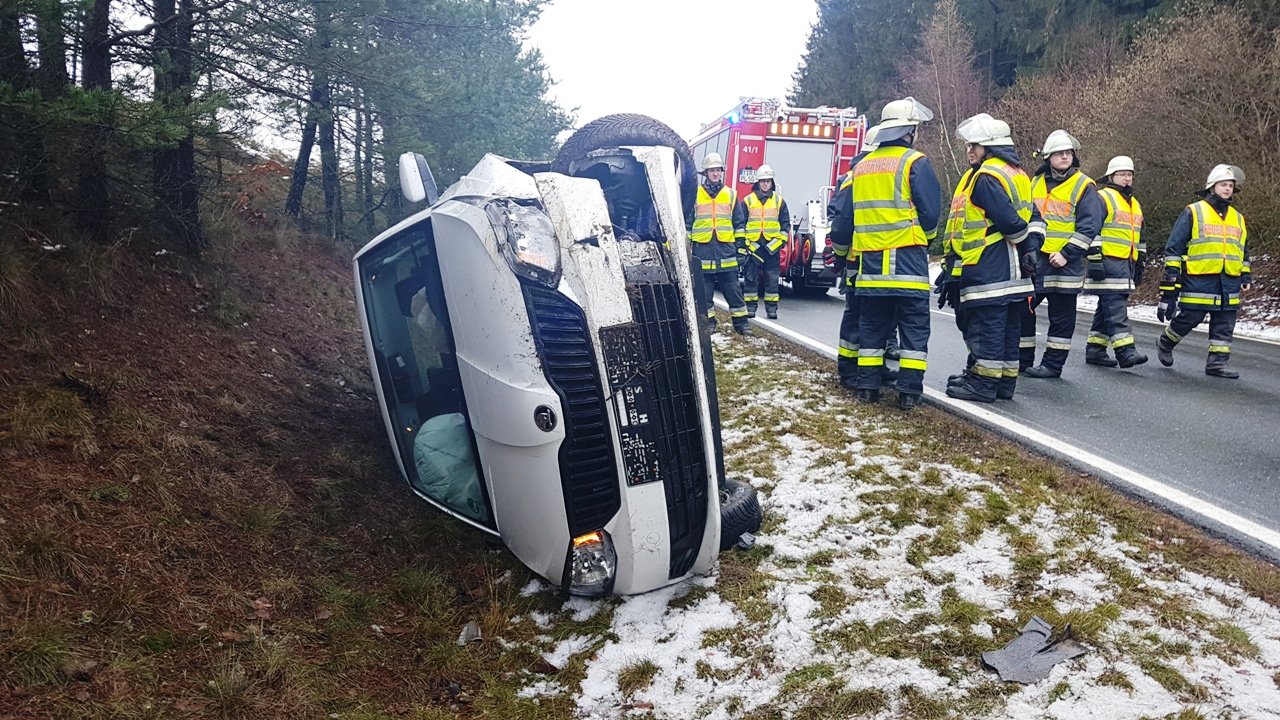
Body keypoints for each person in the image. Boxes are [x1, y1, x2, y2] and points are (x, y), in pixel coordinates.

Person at [939, 113, 1041, 403]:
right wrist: (1031, 247)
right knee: (1009, 328)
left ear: (991, 146)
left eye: (975, 145)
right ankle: (1004, 383)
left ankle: (982, 384)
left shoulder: (986, 176)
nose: (970, 150)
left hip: (990, 267)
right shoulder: (1017, 174)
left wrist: (1024, 244)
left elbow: (1008, 221)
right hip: (1014, 272)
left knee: (987, 327)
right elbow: (1032, 216)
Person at [850, 98, 942, 409]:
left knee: (872, 328)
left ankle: (867, 388)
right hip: (907, 264)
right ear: (910, 131)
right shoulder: (915, 162)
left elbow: (851, 217)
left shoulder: (860, 167)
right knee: (914, 329)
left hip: (871, 267)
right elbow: (930, 213)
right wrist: (924, 239)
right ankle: (909, 394)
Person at [1019, 130, 1104, 378]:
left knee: (1062, 317)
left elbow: (1089, 226)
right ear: (1048, 157)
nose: (1065, 156)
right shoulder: (1034, 182)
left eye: (1068, 153)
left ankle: (1053, 365)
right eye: (1059, 153)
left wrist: (1067, 253)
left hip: (1064, 263)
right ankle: (1022, 360)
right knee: (1024, 311)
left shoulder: (1084, 185)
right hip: (1036, 259)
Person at [1156, 164, 1251, 379]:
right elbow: (1174, 247)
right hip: (1199, 277)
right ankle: (1165, 342)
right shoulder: (1194, 211)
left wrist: (1245, 275)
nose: (1227, 189)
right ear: (1212, 186)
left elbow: (1243, 249)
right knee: (1191, 316)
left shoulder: (1238, 217)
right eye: (1223, 184)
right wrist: (1172, 275)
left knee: (1225, 322)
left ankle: (1217, 364)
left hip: (1229, 279)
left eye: (1230, 185)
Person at [1083, 156, 1148, 368]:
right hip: (1107, 262)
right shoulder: (1103, 198)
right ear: (1111, 176)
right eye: (1123, 174)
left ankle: (1095, 349)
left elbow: (1139, 237)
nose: (1127, 178)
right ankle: (1125, 351)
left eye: (1130, 174)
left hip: (1125, 263)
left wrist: (1140, 264)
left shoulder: (1135, 204)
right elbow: (1092, 229)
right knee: (1116, 306)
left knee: (1107, 306)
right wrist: (1094, 261)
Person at [830, 123, 881, 389]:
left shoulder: (859, 176)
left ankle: (861, 370)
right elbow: (841, 223)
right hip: (862, 259)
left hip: (863, 258)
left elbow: (841, 224)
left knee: (865, 316)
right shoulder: (857, 178)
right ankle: (852, 370)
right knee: (861, 315)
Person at [686, 152, 749, 334]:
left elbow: (739, 223)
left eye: (718, 170)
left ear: (722, 172)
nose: (715, 173)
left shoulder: (731, 194)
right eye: (711, 170)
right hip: (702, 250)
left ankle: (742, 325)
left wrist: (741, 248)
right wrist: (687, 248)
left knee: (733, 290)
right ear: (705, 173)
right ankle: (709, 324)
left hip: (726, 250)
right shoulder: (695, 195)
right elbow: (688, 224)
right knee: (704, 293)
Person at [734, 164, 790, 319]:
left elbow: (786, 225)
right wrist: (744, 245)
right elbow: (741, 224)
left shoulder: (779, 201)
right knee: (750, 279)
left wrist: (781, 242)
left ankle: (771, 309)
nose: (765, 184)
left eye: (768, 181)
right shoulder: (747, 201)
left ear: (772, 182)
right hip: (753, 247)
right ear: (757, 183)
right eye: (762, 181)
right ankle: (750, 308)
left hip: (772, 248)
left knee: (772, 280)